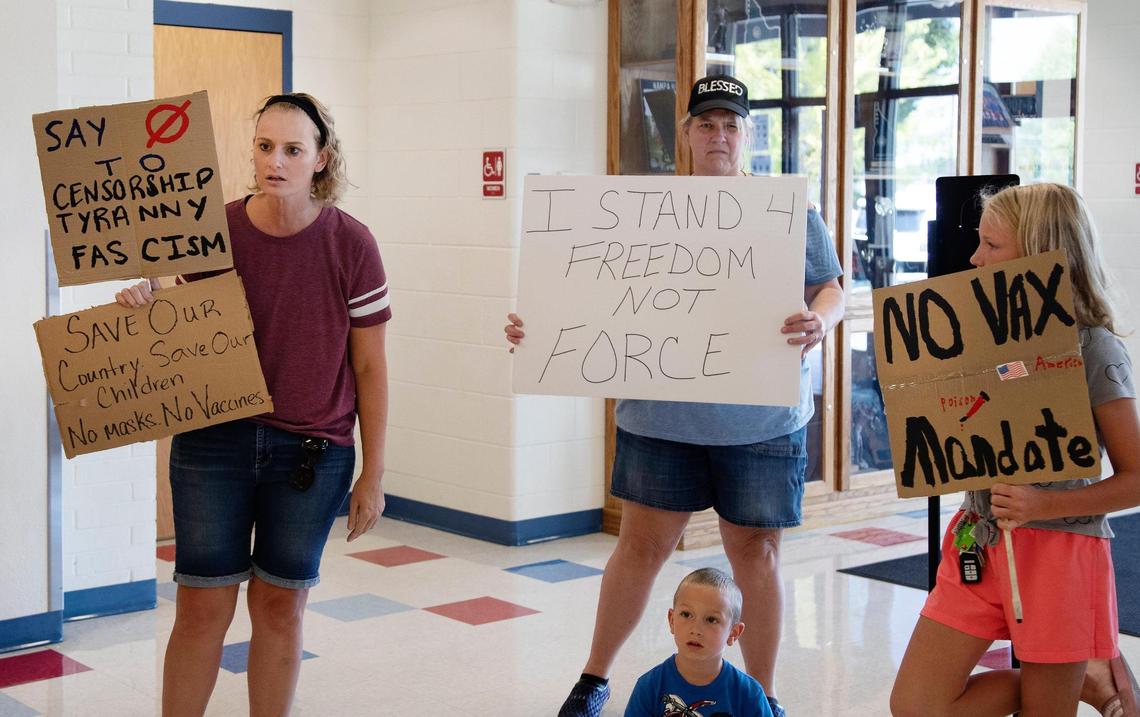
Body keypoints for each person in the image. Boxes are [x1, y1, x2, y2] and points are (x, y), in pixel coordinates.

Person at [505, 74, 845, 717]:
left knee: (759, 555)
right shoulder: (638, 209)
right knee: (639, 547)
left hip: (762, 420)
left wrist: (822, 319)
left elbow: (830, 287)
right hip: (661, 417)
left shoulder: (787, 211)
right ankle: (593, 679)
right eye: (706, 123)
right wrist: (541, 326)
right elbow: (585, 289)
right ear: (686, 134)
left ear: (747, 135)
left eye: (731, 124)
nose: (719, 134)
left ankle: (764, 696)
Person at [116, 93, 390, 717]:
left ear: (321, 159)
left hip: (312, 452)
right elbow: (172, 313)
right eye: (265, 146)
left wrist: (373, 473)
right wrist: (144, 301)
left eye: (293, 149)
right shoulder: (214, 230)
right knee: (202, 606)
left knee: (278, 606)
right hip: (214, 442)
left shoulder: (354, 245)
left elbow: (370, 367)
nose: (276, 161)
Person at [890, 183, 1140, 717]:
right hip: (978, 539)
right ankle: (1087, 678)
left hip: (1060, 551)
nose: (975, 258)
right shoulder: (975, 336)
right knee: (916, 706)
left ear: (1040, 251)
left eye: (991, 246)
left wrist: (1044, 505)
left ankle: (1082, 677)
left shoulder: (1095, 350)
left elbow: (1137, 476)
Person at [625, 568, 774, 717]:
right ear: (672, 620)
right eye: (686, 614)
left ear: (733, 633)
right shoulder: (649, 687)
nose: (696, 630)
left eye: (711, 620)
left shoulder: (749, 694)